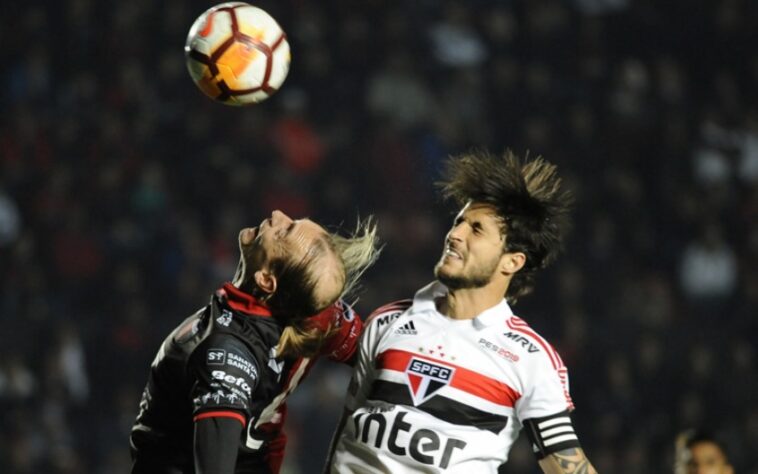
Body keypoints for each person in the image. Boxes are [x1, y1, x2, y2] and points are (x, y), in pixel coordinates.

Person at [326, 151, 597, 473]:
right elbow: (347, 433)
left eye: (477, 229)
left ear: (512, 261)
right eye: (459, 222)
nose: (455, 235)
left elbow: (567, 465)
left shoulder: (530, 359)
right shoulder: (388, 322)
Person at [130, 210, 381, 474]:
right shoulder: (317, 315)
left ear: (266, 280)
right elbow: (380, 352)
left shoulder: (227, 355)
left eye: (285, 231)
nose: (278, 215)